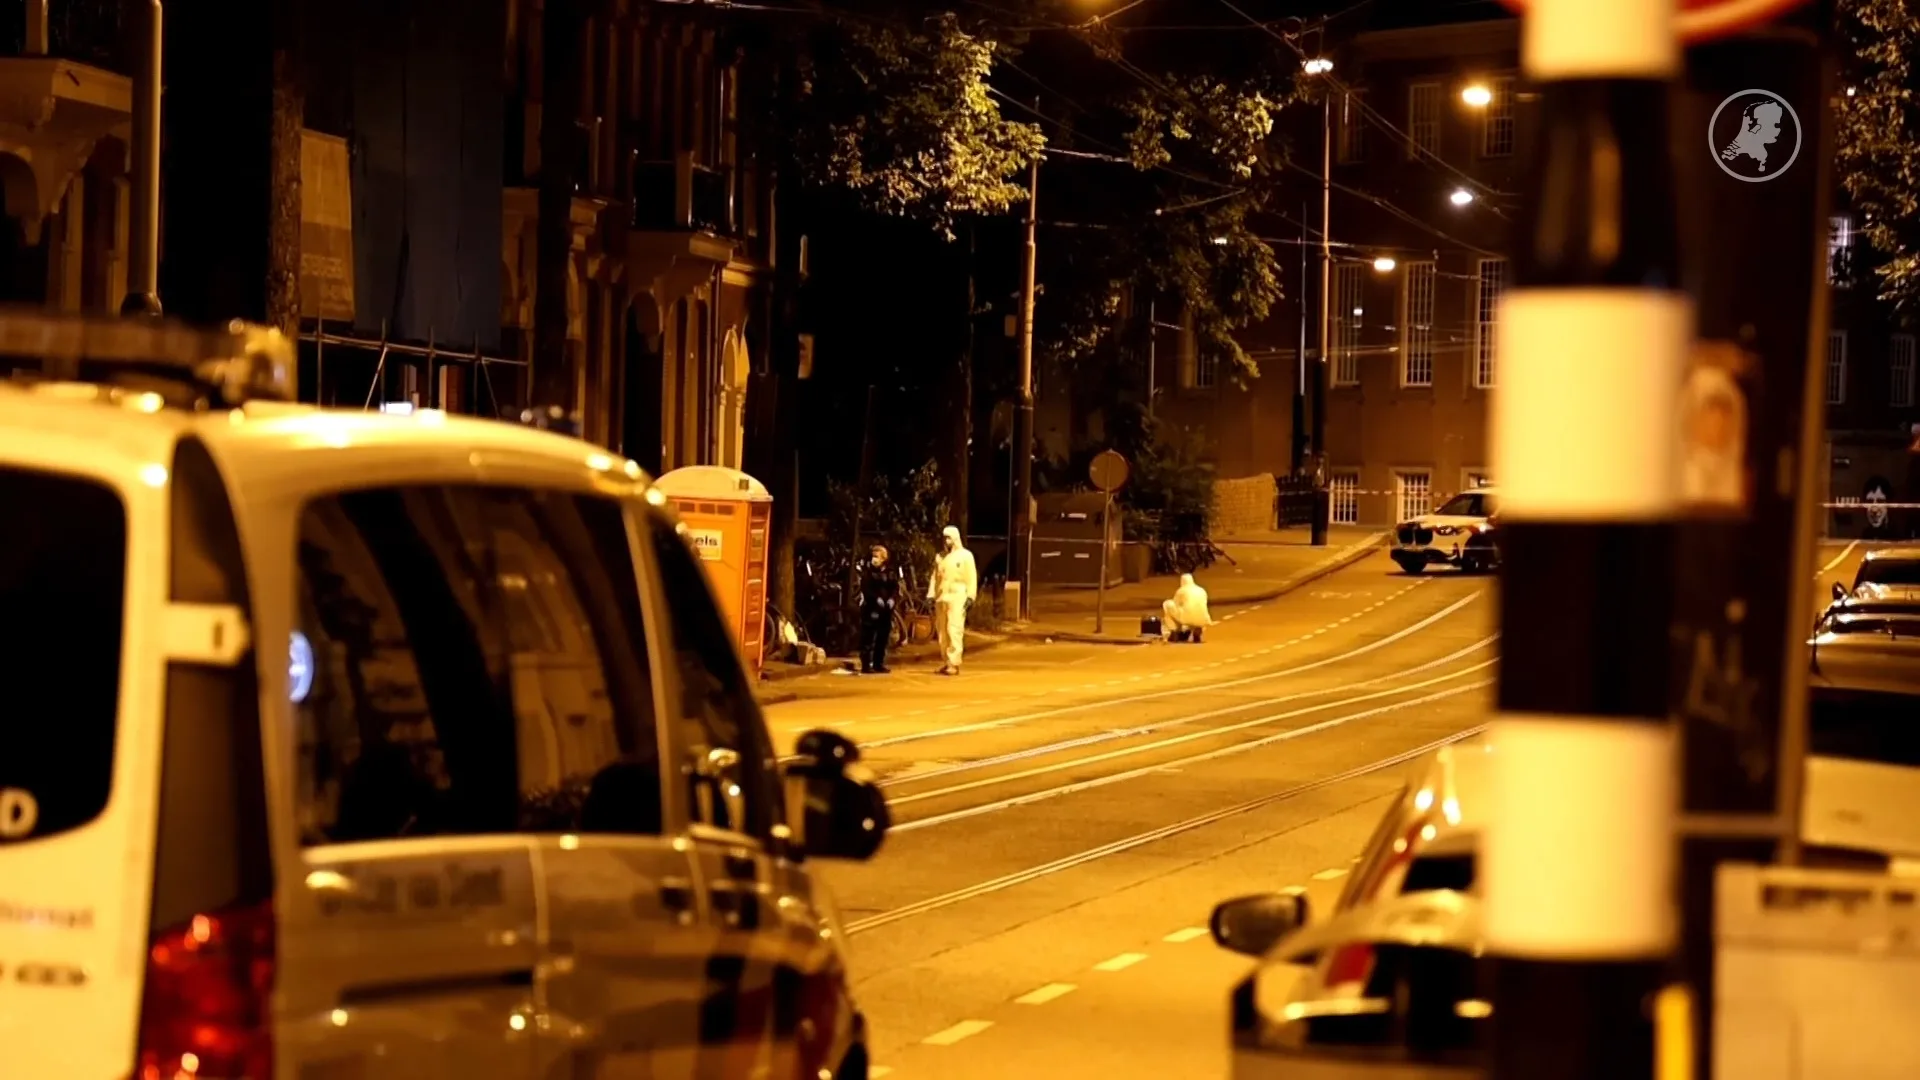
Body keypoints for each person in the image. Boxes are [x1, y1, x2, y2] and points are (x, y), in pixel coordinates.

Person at [928, 526, 977, 675]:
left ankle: (954, 662)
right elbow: (935, 577)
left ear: (955, 538)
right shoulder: (940, 557)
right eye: (944, 538)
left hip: (958, 596)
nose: (946, 541)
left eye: (948, 538)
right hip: (942, 597)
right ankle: (946, 661)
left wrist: (970, 596)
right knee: (942, 631)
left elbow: (971, 577)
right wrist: (931, 595)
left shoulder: (965, 556)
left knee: (954, 629)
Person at [858, 545, 899, 674]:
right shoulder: (868, 573)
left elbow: (895, 588)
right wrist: (876, 599)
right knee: (868, 637)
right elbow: (866, 588)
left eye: (877, 557)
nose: (874, 559)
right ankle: (866, 664)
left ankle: (878, 663)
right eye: (873, 556)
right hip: (871, 608)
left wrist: (892, 599)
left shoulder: (890, 572)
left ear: (884, 559)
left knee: (883, 637)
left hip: (886, 609)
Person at [1161, 572, 1214, 642]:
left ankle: (1174, 632)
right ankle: (1197, 633)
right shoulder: (1201, 590)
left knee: (1168, 604)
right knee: (1198, 611)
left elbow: (1176, 603)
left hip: (1185, 618)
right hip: (1203, 619)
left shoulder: (1181, 590)